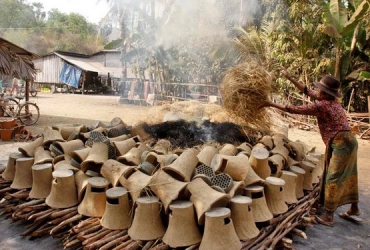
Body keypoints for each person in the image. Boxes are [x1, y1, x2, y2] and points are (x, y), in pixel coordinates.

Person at [260, 69, 361, 227]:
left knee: (332, 177)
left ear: (326, 93)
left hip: (341, 142)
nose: (318, 91)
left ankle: (328, 216)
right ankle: (354, 208)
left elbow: (294, 109)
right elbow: (307, 91)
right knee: (350, 174)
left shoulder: (322, 106)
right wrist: (289, 77)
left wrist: (269, 104)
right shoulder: (332, 102)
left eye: (321, 89)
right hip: (350, 141)